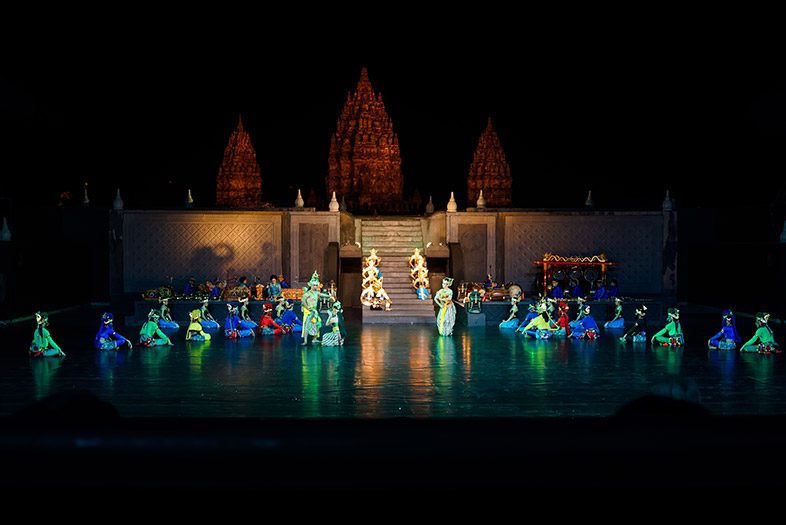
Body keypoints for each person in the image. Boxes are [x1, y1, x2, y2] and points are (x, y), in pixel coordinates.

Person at [301, 271, 331, 345]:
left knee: (317, 323)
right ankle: (305, 340)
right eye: (313, 285)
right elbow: (303, 300)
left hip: (314, 310)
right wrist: (307, 307)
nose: (315, 287)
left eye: (316, 285)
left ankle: (314, 339)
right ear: (311, 285)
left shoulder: (316, 293)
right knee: (307, 325)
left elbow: (322, 294)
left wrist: (329, 295)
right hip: (308, 311)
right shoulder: (307, 293)